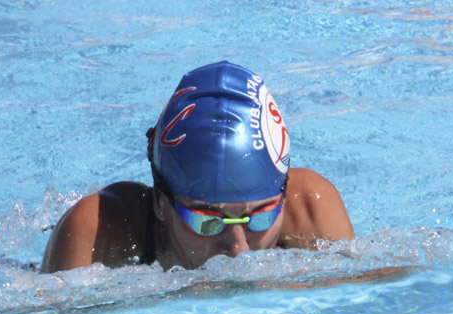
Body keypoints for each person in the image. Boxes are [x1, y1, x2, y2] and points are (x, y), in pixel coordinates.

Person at [41, 61, 355, 273]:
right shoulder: (99, 236)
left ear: (282, 198)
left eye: (258, 219)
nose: (238, 249)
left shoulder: (311, 212)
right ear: (161, 202)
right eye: (208, 221)